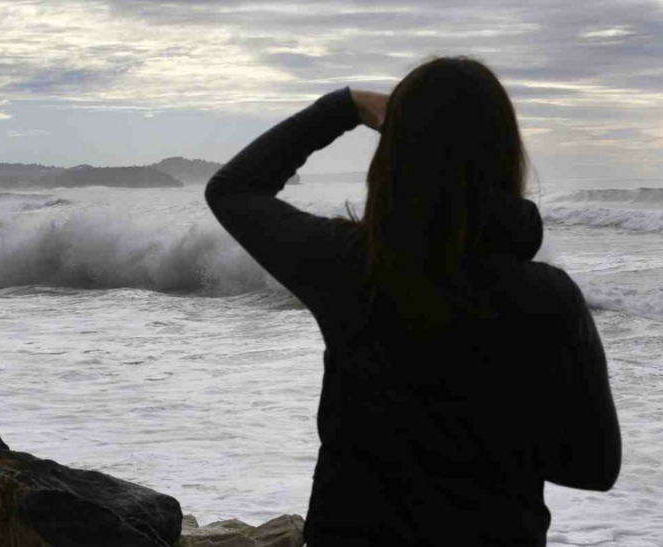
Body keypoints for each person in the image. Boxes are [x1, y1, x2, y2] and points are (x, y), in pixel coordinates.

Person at [205, 56, 621, 546]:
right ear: (504, 155)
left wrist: (343, 108)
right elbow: (594, 468)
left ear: (394, 159)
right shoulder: (549, 298)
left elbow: (234, 190)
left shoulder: (350, 267)